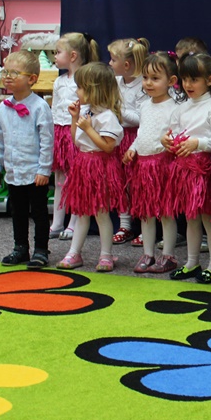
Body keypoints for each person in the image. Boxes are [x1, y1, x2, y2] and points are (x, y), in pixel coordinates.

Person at [161, 53, 211, 283]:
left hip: (205, 171)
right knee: (191, 218)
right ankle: (191, 262)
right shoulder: (182, 108)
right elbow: (172, 131)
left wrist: (198, 143)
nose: (188, 85)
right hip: (185, 170)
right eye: (185, 79)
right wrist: (167, 140)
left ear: (209, 80)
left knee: (209, 219)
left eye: (194, 80)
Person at [55, 62, 126, 272]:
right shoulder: (87, 112)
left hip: (100, 167)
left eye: (80, 87)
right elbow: (76, 141)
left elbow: (108, 147)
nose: (77, 92)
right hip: (83, 165)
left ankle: (106, 255)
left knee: (101, 213)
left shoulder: (108, 117)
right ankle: (74, 253)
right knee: (81, 212)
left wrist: (88, 128)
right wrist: (75, 118)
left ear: (94, 90)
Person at [0, 50, 54, 268]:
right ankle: (20, 248)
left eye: (14, 73)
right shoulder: (2, 108)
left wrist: (44, 169)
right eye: (5, 72)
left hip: (34, 172)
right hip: (13, 171)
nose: (7, 77)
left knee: (38, 212)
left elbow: (47, 141)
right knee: (17, 211)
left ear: (32, 79)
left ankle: (41, 250)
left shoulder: (40, 107)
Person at [123, 52, 181, 274]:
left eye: (155, 78)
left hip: (163, 165)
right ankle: (148, 254)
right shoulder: (145, 106)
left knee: (166, 212)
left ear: (171, 81)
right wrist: (132, 148)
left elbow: (176, 135)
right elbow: (142, 132)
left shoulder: (174, 107)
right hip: (143, 165)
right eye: (146, 78)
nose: (148, 83)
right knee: (145, 212)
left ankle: (168, 255)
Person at [49, 32, 99, 241]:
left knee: (75, 180)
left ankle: (74, 223)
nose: (54, 56)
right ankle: (57, 222)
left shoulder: (84, 80)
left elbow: (90, 108)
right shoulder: (59, 81)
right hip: (59, 133)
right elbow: (54, 109)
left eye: (58, 52)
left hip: (77, 132)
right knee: (60, 179)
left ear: (73, 56)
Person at [107, 37, 151, 247]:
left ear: (126, 65)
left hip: (137, 139)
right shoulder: (116, 82)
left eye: (113, 59)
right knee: (121, 183)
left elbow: (143, 118)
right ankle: (125, 225)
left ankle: (145, 228)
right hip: (119, 138)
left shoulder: (144, 85)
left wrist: (117, 108)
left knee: (138, 185)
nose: (109, 63)